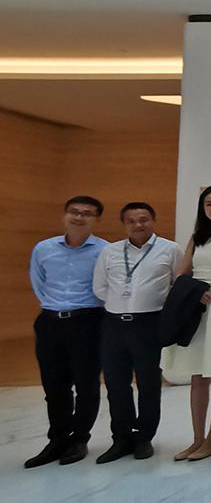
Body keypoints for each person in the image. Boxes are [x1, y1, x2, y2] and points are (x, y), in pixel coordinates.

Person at [92, 202, 183, 463]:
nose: (137, 225)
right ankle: (121, 439)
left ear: (153, 220)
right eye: (131, 221)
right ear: (124, 224)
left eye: (143, 219)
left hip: (150, 324)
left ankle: (144, 438)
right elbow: (100, 287)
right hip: (114, 324)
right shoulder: (110, 251)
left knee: (148, 383)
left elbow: (179, 284)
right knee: (116, 383)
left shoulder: (170, 249)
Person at [25, 196, 109, 468]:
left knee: (86, 384)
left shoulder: (105, 250)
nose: (79, 217)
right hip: (50, 322)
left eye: (87, 213)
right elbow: (38, 282)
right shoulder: (44, 248)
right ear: (64, 215)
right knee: (54, 385)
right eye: (74, 212)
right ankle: (57, 439)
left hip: (87, 321)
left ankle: (79, 439)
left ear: (96, 220)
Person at [162, 185, 211, 462]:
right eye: (209, 204)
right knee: (197, 376)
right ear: (202, 208)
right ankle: (196, 439)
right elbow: (182, 274)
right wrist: (196, 291)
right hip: (198, 308)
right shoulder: (198, 238)